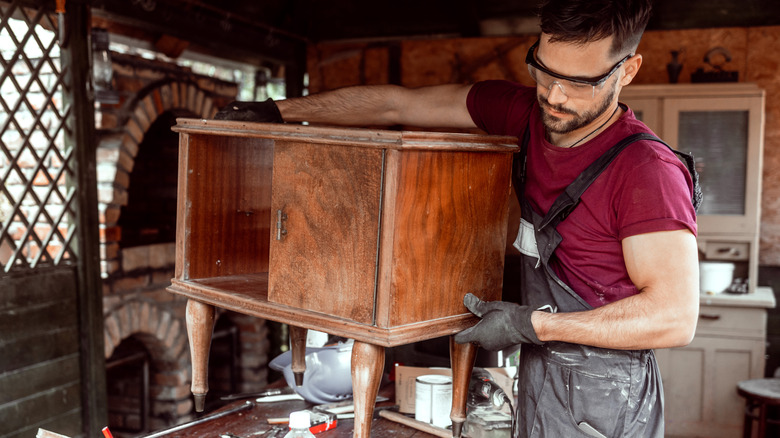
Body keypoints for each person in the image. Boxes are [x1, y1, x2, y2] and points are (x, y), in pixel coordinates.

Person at [215, 0, 701, 436]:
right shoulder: (522, 115)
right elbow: (397, 103)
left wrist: (529, 325)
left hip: (608, 392)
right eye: (544, 71)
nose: (554, 96)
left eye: (579, 83)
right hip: (541, 371)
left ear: (627, 70)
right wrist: (278, 111)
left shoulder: (645, 170)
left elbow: (674, 318)